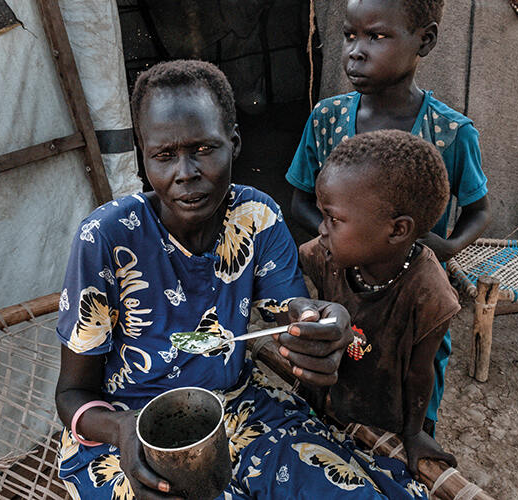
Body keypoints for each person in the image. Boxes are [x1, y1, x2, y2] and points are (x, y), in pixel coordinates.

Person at [54, 60, 429, 499]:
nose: (186, 172)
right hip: (130, 432)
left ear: (234, 143)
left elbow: (292, 311)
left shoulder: (255, 218)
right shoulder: (105, 237)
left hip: (240, 407)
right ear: (143, 156)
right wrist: (122, 429)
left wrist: (321, 326)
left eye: (204, 149)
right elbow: (72, 393)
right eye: (164, 155)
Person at [285, 0, 490, 434]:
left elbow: (479, 211)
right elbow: (300, 201)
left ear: (425, 40)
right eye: (349, 35)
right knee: (336, 389)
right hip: (341, 293)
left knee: (407, 391)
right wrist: (340, 238)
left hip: (409, 303)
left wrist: (447, 247)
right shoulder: (326, 120)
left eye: (376, 36)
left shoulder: (451, 134)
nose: (355, 51)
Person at [300, 130, 461, 475]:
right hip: (336, 398)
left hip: (390, 421)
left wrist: (414, 432)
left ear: (398, 230)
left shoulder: (430, 295)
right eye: (322, 214)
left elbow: (420, 374)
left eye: (334, 218)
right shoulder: (325, 256)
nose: (321, 229)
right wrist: (312, 390)